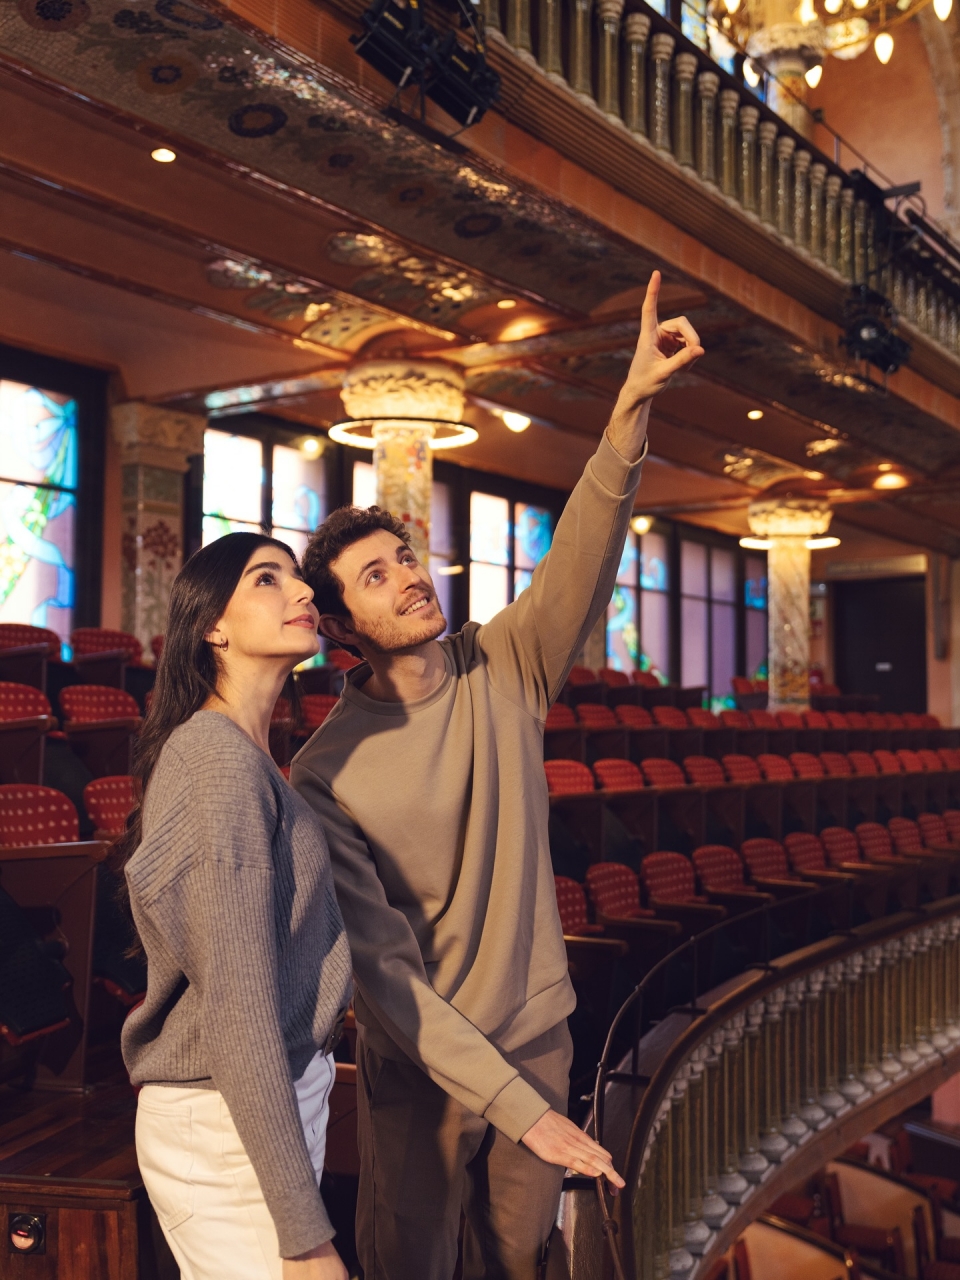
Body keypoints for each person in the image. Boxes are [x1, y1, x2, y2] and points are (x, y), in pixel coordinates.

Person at [291, 270, 702, 1280]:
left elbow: (584, 558)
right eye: (376, 574)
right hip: (424, 1065)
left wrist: (631, 404)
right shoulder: (322, 772)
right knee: (416, 1262)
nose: (408, 574)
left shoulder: (508, 661)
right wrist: (506, 1100)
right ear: (339, 626)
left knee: (519, 1259)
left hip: (539, 1033)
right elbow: (383, 976)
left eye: (405, 554)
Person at [119, 533, 353, 1280]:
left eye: (299, 578)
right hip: (225, 1122)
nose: (303, 592)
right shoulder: (217, 760)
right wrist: (305, 1236)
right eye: (266, 578)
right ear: (212, 627)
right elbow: (237, 1007)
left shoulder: (246, 758)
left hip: (254, 1108)